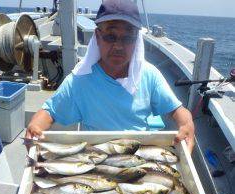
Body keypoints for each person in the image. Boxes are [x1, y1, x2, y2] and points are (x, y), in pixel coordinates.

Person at [26, 0, 195, 152]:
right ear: (98, 37)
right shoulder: (81, 79)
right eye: (110, 36)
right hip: (95, 157)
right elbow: (49, 112)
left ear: (136, 40)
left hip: (138, 155)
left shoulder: (149, 75)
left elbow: (177, 110)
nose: (119, 46)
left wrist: (187, 124)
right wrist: (35, 126)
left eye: (128, 38)